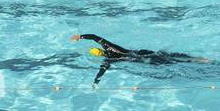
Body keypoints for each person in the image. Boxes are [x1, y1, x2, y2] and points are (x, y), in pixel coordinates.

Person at [71, 33, 211, 86]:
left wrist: (96, 81)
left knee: (171, 63)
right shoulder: (110, 48)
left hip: (144, 60)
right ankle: (199, 59)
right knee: (172, 56)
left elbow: (102, 71)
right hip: (143, 52)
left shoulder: (108, 60)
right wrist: (80, 37)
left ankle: (199, 64)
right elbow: (96, 37)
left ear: (99, 55)